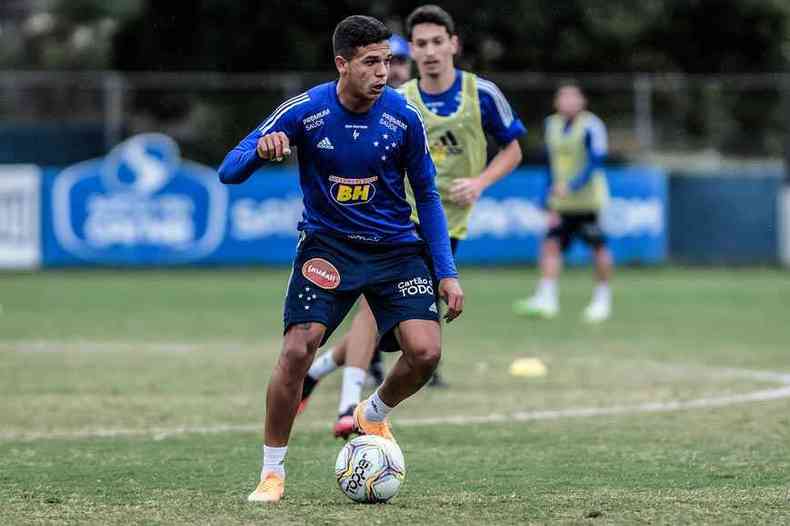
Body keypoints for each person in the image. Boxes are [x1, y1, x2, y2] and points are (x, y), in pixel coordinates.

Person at [218, 15, 464, 504]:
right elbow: (229, 169)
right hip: (328, 247)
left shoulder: (404, 117)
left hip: (396, 250)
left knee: (426, 352)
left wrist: (447, 272)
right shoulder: (305, 111)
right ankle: (272, 474)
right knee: (296, 351)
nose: (383, 72)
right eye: (371, 62)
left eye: (388, 62)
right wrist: (260, 155)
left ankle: (372, 413)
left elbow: (428, 197)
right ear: (342, 64)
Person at [299, 4, 525, 439]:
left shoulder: (483, 95)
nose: (430, 51)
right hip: (396, 226)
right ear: (413, 51)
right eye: (420, 44)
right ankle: (352, 407)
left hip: (447, 228)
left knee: (397, 337)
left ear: (453, 44)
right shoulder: (400, 101)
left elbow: (514, 148)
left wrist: (480, 182)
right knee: (369, 311)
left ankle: (319, 370)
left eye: (438, 41)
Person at [513, 82, 612, 323]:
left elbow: (595, 163)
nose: (568, 102)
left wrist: (573, 185)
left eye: (573, 97)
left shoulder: (592, 126)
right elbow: (551, 164)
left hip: (589, 202)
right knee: (551, 245)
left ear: (582, 101)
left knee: (597, 247)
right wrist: (547, 195)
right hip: (561, 202)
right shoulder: (552, 125)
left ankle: (602, 300)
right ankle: (547, 299)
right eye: (563, 97)